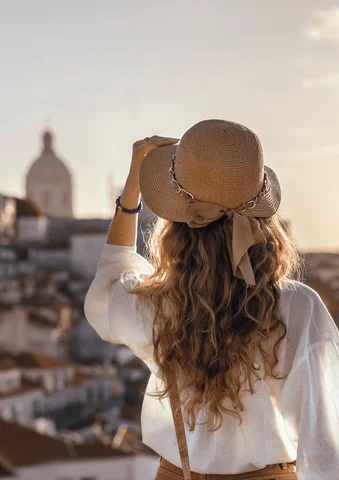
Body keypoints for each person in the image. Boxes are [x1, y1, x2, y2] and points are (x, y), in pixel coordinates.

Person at [84, 120, 339, 480]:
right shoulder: (299, 308)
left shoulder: (156, 306)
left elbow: (107, 283)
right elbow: (323, 442)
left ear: (175, 222)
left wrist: (132, 189)